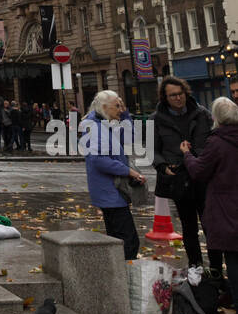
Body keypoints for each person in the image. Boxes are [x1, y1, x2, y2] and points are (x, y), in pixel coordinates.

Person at [153, 77, 218, 276]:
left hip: (203, 176)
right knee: (188, 226)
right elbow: (152, 150)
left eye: (181, 94)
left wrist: (202, 157)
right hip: (178, 179)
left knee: (211, 224)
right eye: (173, 95)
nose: (178, 98)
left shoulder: (202, 114)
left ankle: (215, 268)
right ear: (165, 97)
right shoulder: (156, 119)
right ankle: (195, 266)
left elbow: (214, 140)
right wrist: (163, 166)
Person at [185, 97, 238, 314]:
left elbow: (199, 171)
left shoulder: (216, 142)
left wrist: (187, 154)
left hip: (227, 207)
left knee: (233, 260)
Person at [82, 90, 145, 259]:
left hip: (113, 190)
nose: (120, 108)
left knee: (119, 240)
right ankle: (123, 278)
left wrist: (125, 115)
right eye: (116, 106)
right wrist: (128, 171)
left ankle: (119, 277)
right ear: (104, 107)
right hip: (109, 191)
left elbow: (130, 137)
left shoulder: (105, 122)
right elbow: (99, 160)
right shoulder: (93, 126)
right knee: (129, 242)